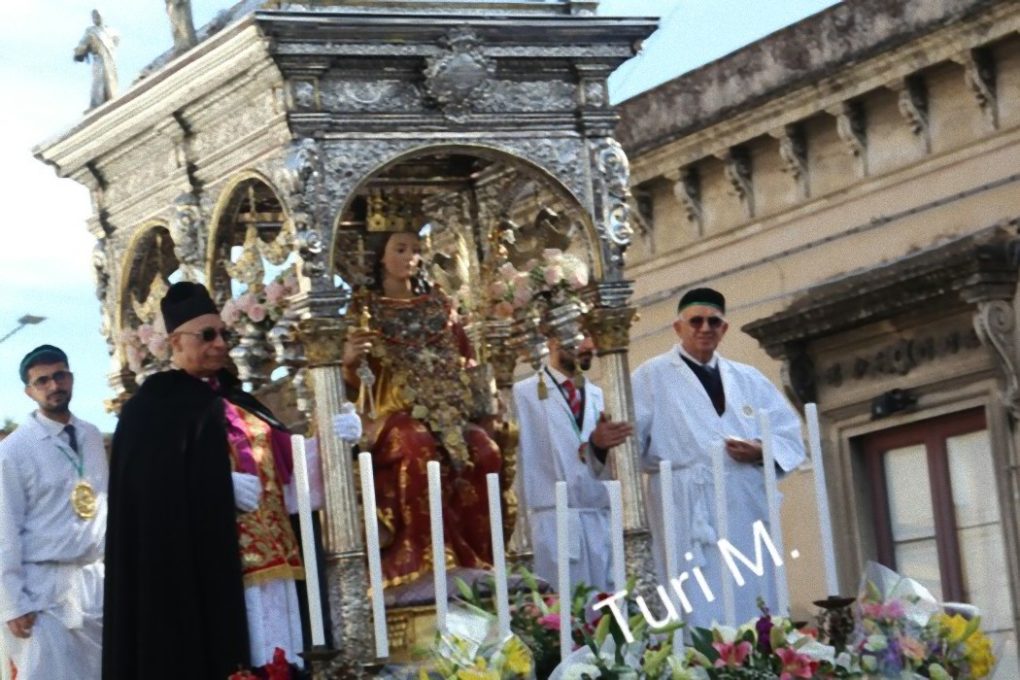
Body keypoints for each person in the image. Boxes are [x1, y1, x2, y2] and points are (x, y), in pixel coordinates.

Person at [103, 282, 307, 679]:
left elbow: (287, 465)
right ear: (175, 342)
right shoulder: (151, 408)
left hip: (273, 563)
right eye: (207, 335)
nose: (219, 344)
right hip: (204, 570)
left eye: (223, 334)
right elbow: (149, 490)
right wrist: (216, 486)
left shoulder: (238, 399)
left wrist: (335, 442)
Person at [631, 287, 806, 627]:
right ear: (678, 327)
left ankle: (755, 645)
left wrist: (761, 449)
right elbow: (628, 446)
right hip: (684, 502)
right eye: (695, 321)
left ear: (724, 329)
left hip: (744, 501)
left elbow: (789, 435)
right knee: (694, 592)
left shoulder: (749, 379)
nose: (705, 328)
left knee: (750, 586)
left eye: (713, 322)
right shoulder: (651, 376)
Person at [343, 229, 504, 587]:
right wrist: (350, 360)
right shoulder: (364, 311)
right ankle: (421, 551)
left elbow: (466, 358)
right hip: (389, 415)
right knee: (416, 444)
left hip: (447, 413)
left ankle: (479, 556)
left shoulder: (440, 308)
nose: (411, 258)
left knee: (485, 450)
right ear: (380, 257)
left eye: (416, 250)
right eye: (400, 249)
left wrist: (483, 404)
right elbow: (356, 381)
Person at [0, 345, 107, 679]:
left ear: (71, 378)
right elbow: (4, 529)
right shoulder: (13, 450)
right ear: (29, 391)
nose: (53, 385)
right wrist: (12, 603)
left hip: (95, 584)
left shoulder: (91, 435)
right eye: (42, 381)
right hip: (41, 592)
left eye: (59, 376)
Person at [512, 336, 632, 592]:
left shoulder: (600, 395)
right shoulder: (522, 395)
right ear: (553, 339)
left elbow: (611, 467)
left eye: (592, 336)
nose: (590, 345)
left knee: (606, 609)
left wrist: (598, 449)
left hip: (599, 523)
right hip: (552, 527)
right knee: (563, 608)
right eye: (581, 336)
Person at [73, 10, 118, 108]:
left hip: (110, 58)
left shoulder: (111, 31)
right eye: (94, 16)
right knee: (98, 80)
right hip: (98, 58)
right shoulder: (91, 31)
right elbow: (83, 43)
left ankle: (111, 99)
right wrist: (79, 53)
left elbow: (116, 41)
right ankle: (97, 103)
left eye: (98, 15)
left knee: (111, 79)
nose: (96, 18)